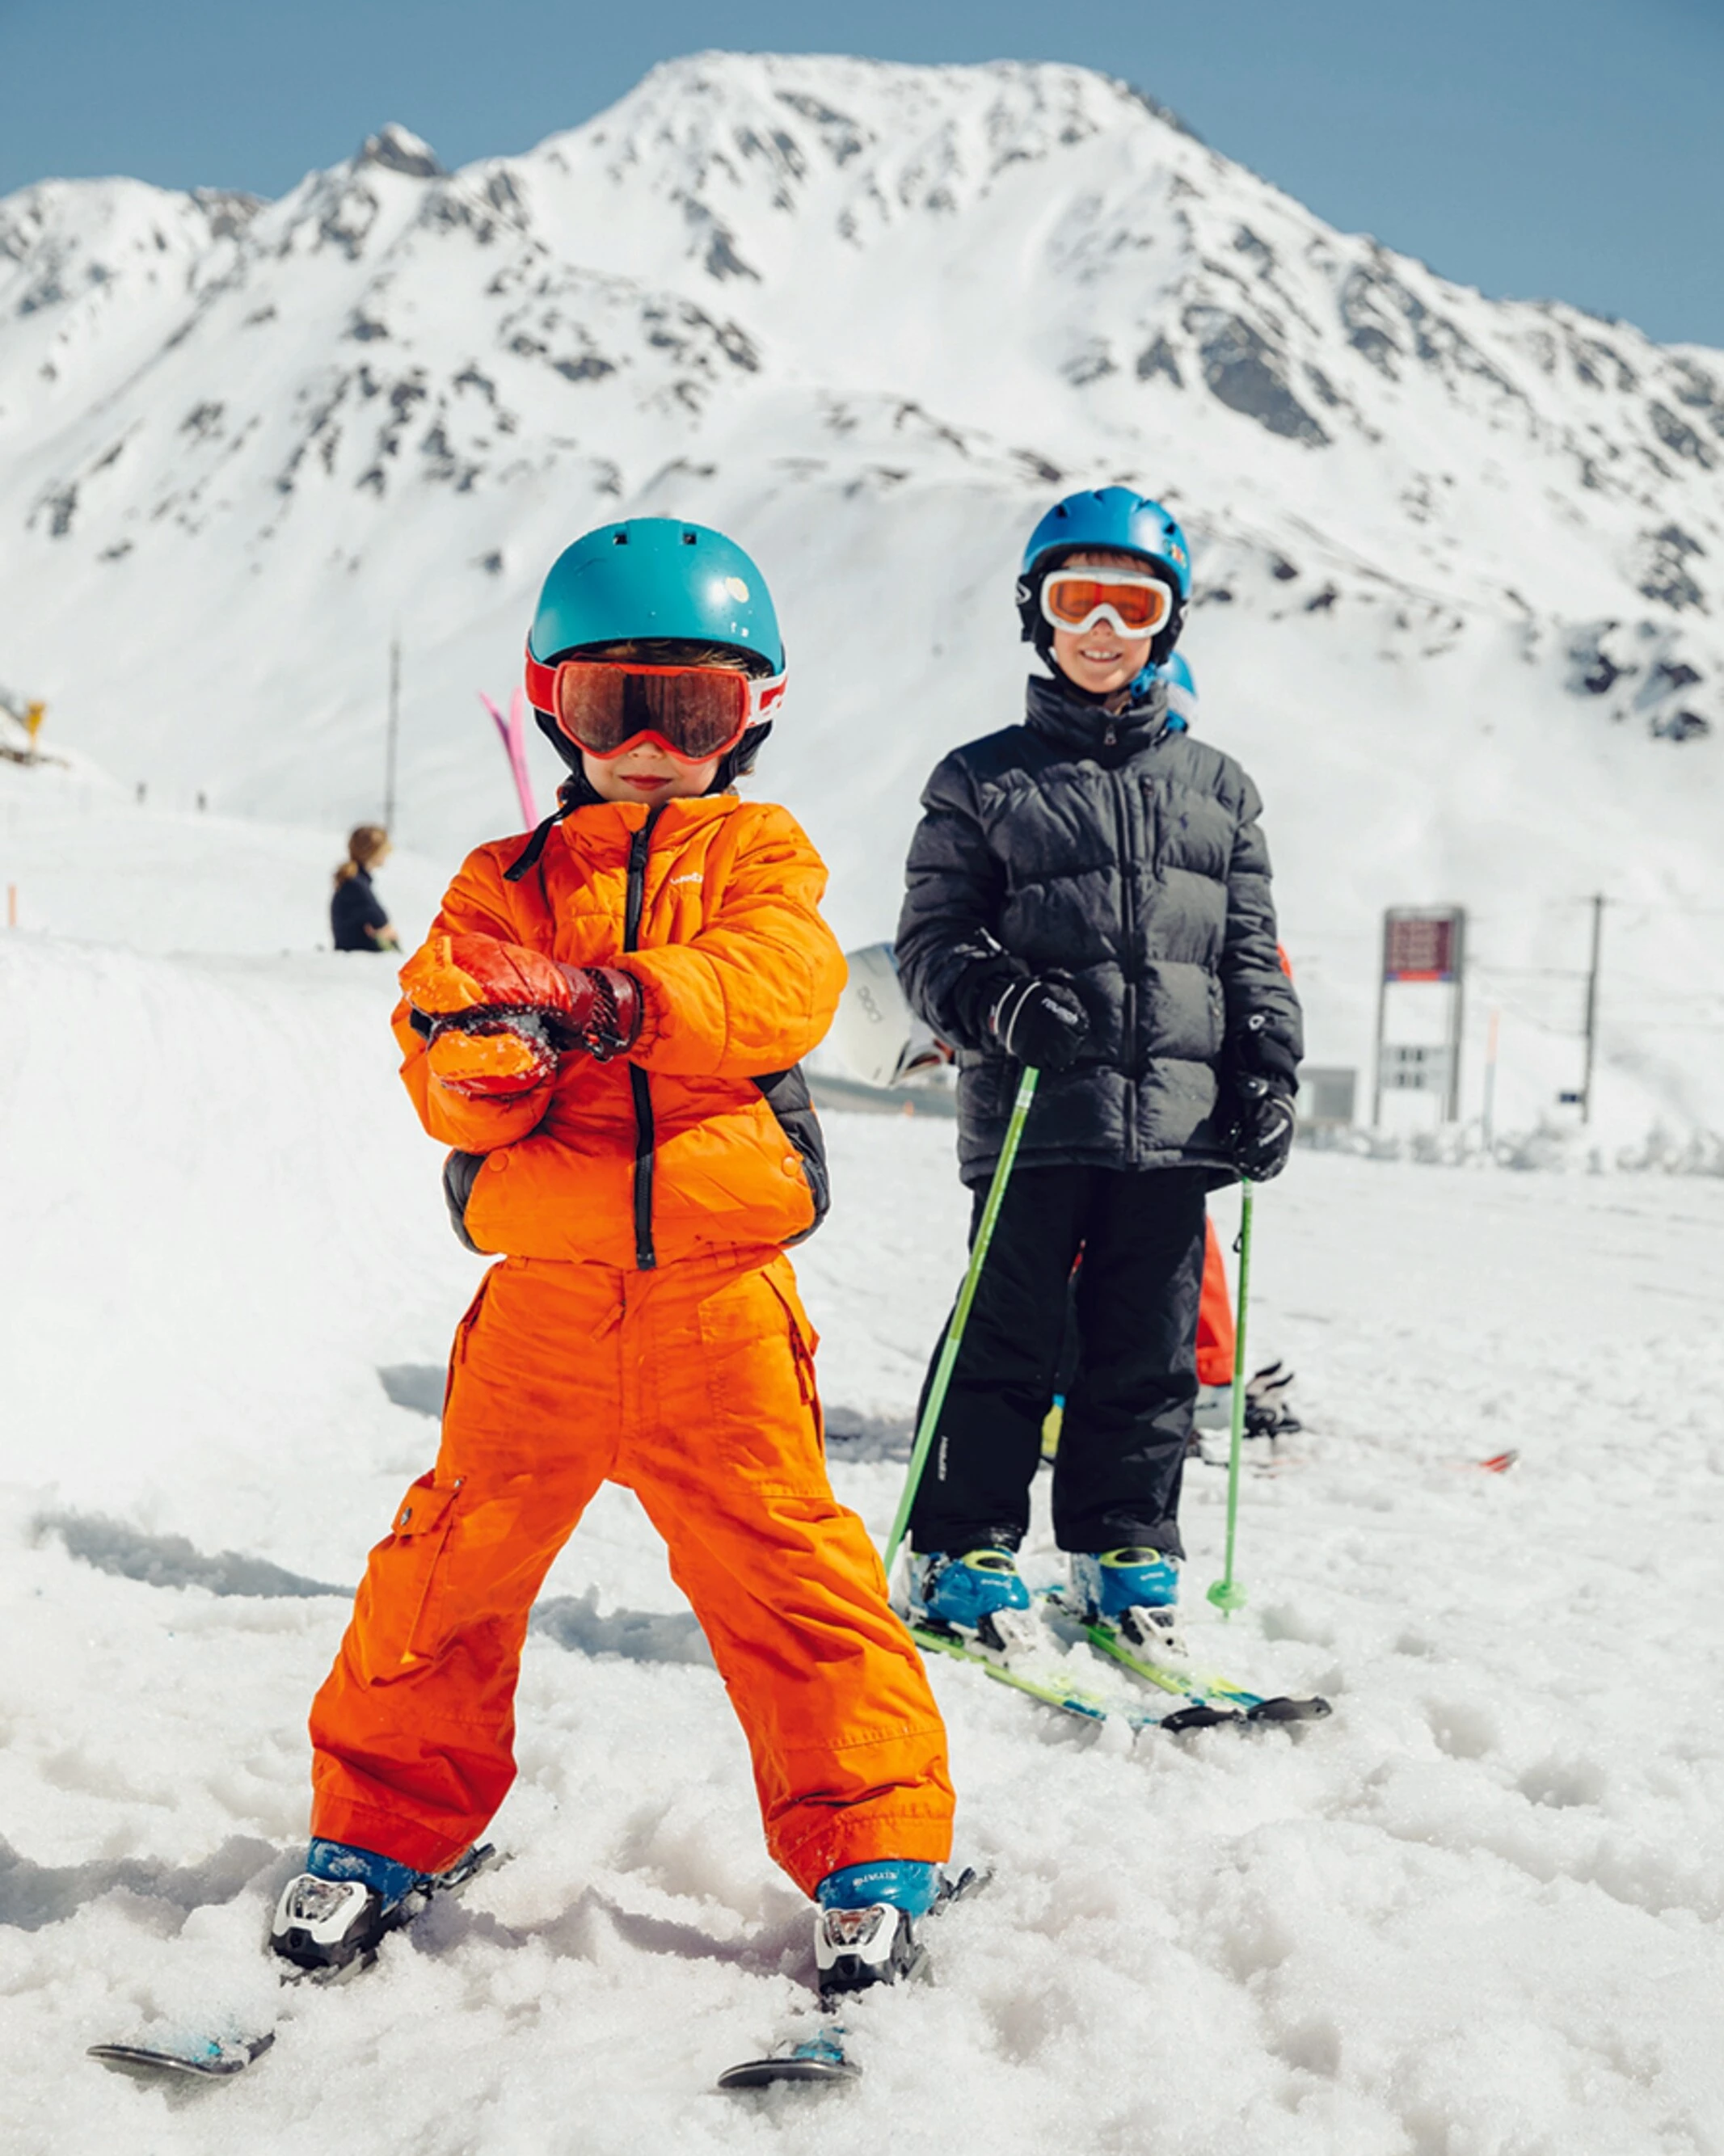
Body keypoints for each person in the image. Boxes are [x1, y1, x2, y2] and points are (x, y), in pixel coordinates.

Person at [270, 519, 955, 2002]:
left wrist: (605, 999)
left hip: (719, 1300)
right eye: (609, 706)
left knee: (784, 1570)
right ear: (549, 704)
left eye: (688, 709)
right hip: (544, 1314)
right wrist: (492, 1056)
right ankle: (384, 1825)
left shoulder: (759, 856)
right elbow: (434, 1052)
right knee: (447, 1565)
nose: (648, 745)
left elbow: (779, 984)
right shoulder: (498, 877)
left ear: (749, 715)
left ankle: (871, 1845)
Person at [893, 486, 1302, 1652]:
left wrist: (1268, 1068)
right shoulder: (981, 779)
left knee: (1148, 1350)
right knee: (1007, 1335)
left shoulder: (1219, 790)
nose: (1106, 630)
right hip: (1036, 1110)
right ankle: (959, 1545)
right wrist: (996, 999)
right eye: (1081, 601)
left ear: (1168, 624)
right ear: (1039, 612)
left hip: (1175, 1122)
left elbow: (1245, 955)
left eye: (1136, 604)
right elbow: (933, 943)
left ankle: (1123, 1543)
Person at [331, 825, 400, 952]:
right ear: (373, 851)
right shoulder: (355, 885)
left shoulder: (355, 881)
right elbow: (382, 923)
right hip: (359, 957)